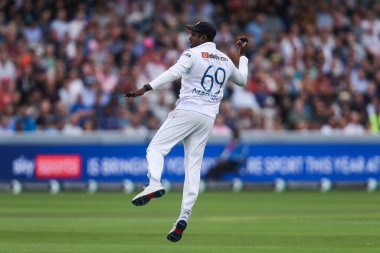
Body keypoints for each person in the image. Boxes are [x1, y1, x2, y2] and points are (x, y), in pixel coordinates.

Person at [124, 21, 249, 242]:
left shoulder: (192, 54)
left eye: (193, 34)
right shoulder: (226, 60)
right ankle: (183, 217)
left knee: (155, 148)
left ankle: (154, 183)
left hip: (188, 109)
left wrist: (145, 88)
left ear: (204, 37)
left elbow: (172, 73)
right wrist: (243, 55)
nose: (189, 37)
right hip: (208, 117)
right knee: (193, 167)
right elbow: (243, 80)